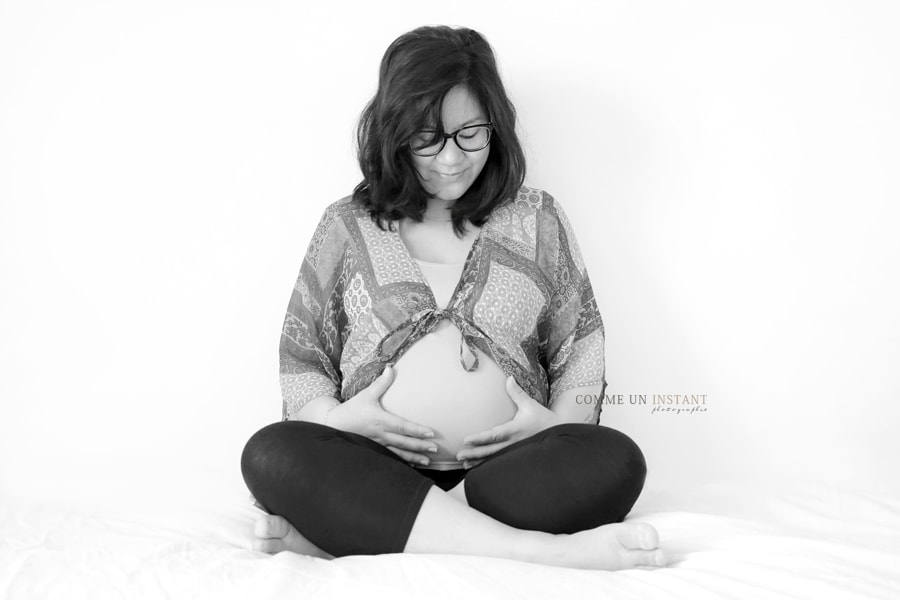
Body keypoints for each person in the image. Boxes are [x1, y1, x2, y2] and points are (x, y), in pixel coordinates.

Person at [240, 24, 666, 570]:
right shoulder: (347, 226)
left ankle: (357, 531)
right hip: (374, 465)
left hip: (508, 471)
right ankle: (539, 550)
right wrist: (343, 422)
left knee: (617, 460)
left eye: (470, 133)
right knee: (271, 453)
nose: (451, 159)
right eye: (427, 138)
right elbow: (303, 356)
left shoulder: (536, 218)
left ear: (496, 127)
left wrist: (554, 424)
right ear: (394, 133)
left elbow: (579, 342)